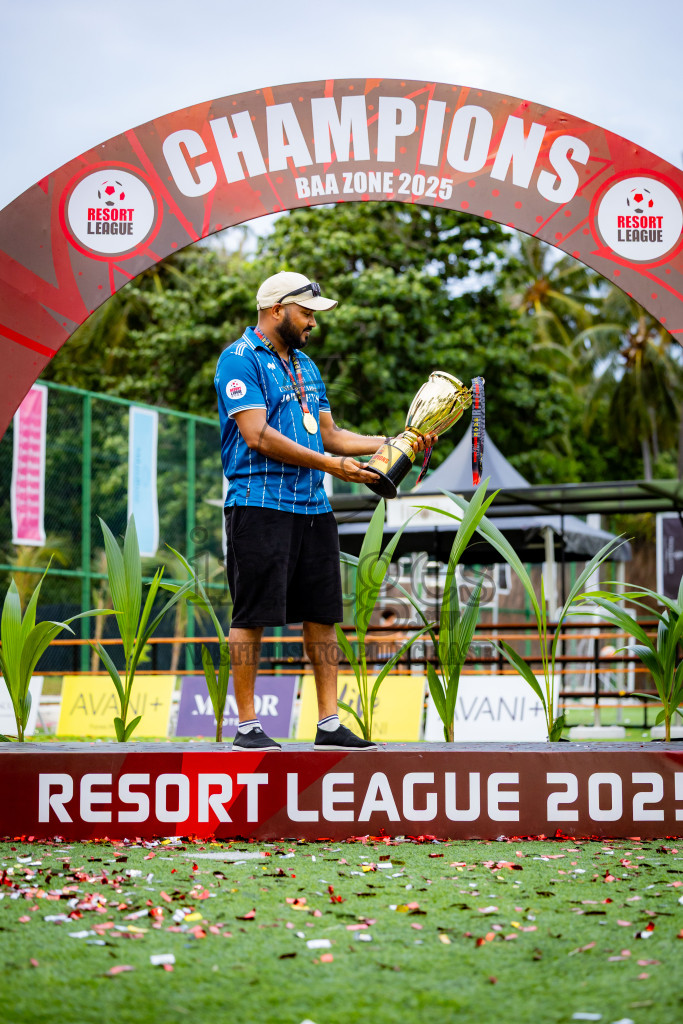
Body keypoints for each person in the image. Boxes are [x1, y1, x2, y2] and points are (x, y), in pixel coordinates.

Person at [214, 271, 435, 752]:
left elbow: (330, 435)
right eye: (306, 312)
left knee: (322, 613)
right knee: (250, 614)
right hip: (258, 502)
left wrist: (396, 441)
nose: (312, 322)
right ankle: (248, 726)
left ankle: (328, 723)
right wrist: (334, 465)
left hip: (312, 505)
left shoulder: (307, 366)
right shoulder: (238, 359)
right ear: (277, 310)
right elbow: (258, 436)